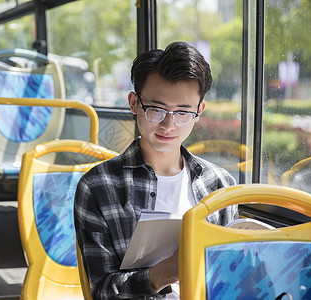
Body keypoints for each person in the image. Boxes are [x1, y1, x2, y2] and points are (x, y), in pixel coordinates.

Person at [74, 41, 238, 300]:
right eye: (156, 109)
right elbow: (101, 291)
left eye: (183, 112)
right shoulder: (99, 186)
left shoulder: (220, 184)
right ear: (134, 103)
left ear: (199, 112)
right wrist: (164, 273)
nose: (168, 125)